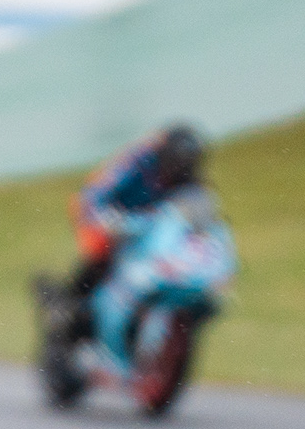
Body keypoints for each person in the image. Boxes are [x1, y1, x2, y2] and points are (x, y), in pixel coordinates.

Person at [58, 122, 206, 341]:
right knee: (102, 252)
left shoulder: (188, 178)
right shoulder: (137, 161)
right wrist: (104, 220)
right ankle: (71, 309)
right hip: (109, 218)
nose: (178, 171)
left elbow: (200, 211)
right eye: (176, 164)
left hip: (146, 227)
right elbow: (93, 196)